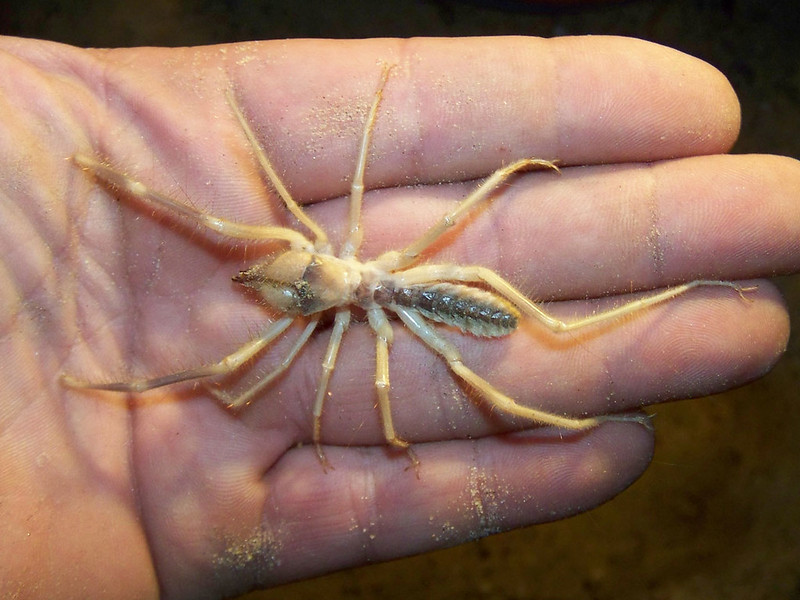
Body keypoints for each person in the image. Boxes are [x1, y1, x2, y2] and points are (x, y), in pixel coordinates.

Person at [0, 35, 796, 599]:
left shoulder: (324, 277)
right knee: (515, 344)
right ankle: (609, 375)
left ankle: (669, 304)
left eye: (297, 280)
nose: (291, 277)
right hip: (411, 309)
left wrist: (503, 172)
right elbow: (255, 363)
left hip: (434, 303)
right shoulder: (316, 299)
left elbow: (290, 210)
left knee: (541, 321)